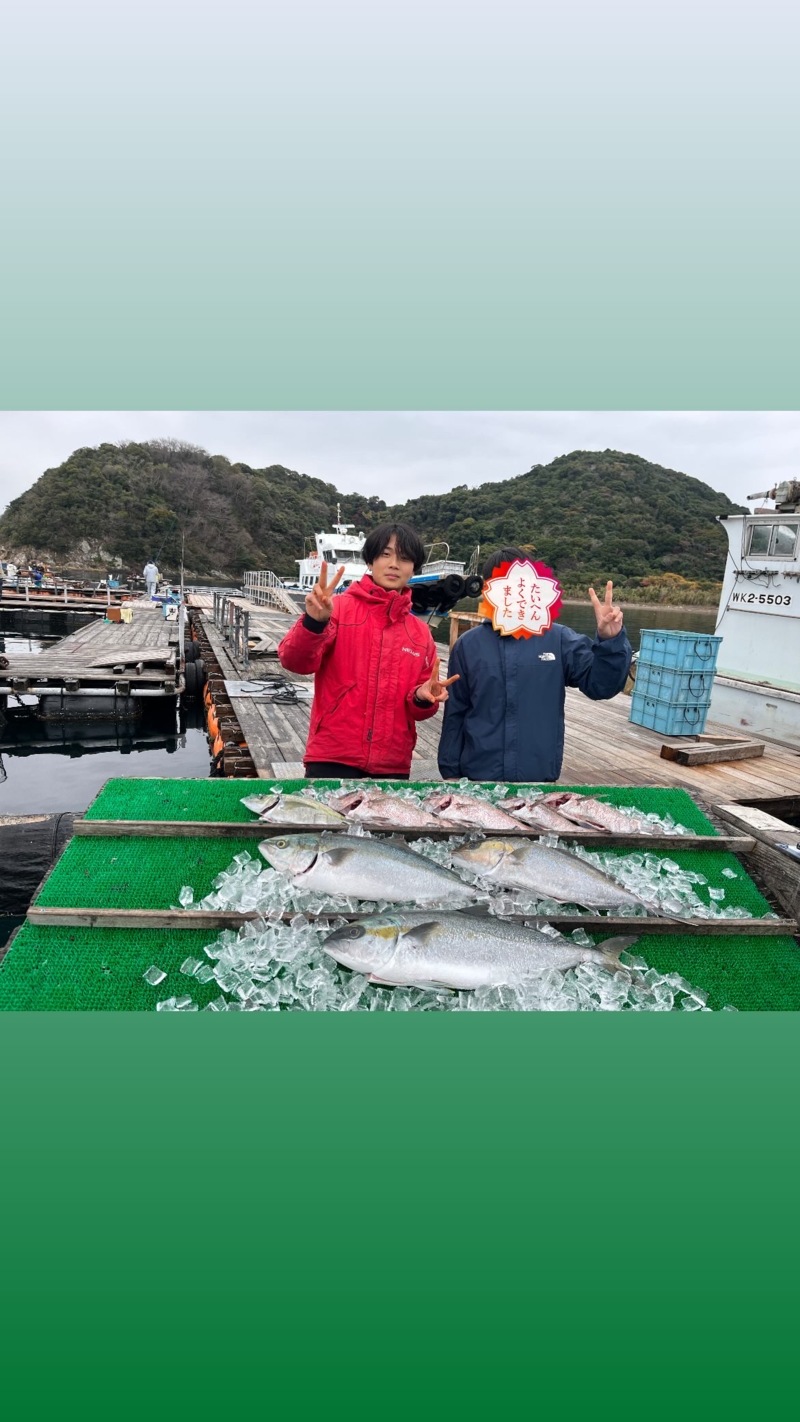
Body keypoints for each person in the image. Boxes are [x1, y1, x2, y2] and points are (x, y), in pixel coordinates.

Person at [277, 522, 458, 779]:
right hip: (332, 757)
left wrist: (422, 696)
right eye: (385, 554)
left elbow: (420, 710)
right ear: (370, 561)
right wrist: (314, 622)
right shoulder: (337, 609)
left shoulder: (420, 633)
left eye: (404, 558)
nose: (394, 564)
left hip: (393, 764)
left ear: (413, 568)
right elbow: (294, 662)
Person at [438, 546, 632, 784]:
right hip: (478, 777)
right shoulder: (468, 645)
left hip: (538, 778)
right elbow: (455, 713)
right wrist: (450, 772)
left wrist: (610, 642)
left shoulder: (559, 639)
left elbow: (600, 686)